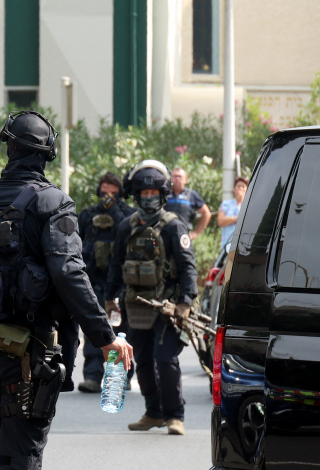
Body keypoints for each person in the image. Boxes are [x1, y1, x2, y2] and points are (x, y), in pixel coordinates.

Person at [0, 111, 132, 470]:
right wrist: (106, 337)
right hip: (29, 356)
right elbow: (69, 272)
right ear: (47, 154)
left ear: (7, 148)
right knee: (21, 457)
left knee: (0, 454)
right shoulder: (53, 203)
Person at [107, 160, 198, 435]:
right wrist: (109, 298)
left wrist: (185, 302)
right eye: (144, 195)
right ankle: (154, 412)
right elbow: (115, 264)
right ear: (137, 196)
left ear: (162, 195)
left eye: (153, 195)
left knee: (165, 359)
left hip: (168, 307)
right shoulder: (126, 226)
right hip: (136, 306)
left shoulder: (174, 226)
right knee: (142, 359)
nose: (148, 199)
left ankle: (174, 416)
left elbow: (187, 266)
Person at [65, 172, 135, 393]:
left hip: (120, 283)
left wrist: (113, 210)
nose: (108, 194)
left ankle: (121, 377)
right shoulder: (87, 215)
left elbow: (129, 233)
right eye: (104, 189)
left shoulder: (128, 215)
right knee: (94, 329)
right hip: (93, 280)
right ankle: (93, 377)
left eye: (113, 190)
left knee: (122, 331)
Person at [165, 167, 211, 240]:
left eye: (180, 176)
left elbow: (206, 213)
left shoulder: (191, 195)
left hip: (183, 236)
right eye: (174, 176)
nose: (177, 179)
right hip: (165, 234)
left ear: (186, 179)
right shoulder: (164, 194)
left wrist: (196, 233)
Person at [217, 176, 249, 247]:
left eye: (243, 186)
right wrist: (236, 218)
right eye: (238, 186)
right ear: (234, 188)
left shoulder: (249, 205)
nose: (240, 188)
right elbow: (220, 221)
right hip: (227, 244)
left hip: (244, 245)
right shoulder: (226, 204)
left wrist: (229, 219)